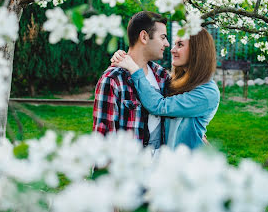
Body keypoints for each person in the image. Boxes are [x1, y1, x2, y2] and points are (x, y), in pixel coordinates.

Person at [111, 28, 220, 149]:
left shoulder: (207, 93)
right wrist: (125, 56)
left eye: (180, 45)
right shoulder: (177, 81)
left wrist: (134, 69)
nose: (173, 50)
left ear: (197, 50)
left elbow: (159, 106)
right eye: (174, 44)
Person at [92, 11, 170, 150]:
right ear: (144, 37)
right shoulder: (113, 80)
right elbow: (103, 142)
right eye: (163, 37)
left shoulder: (162, 76)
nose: (167, 44)